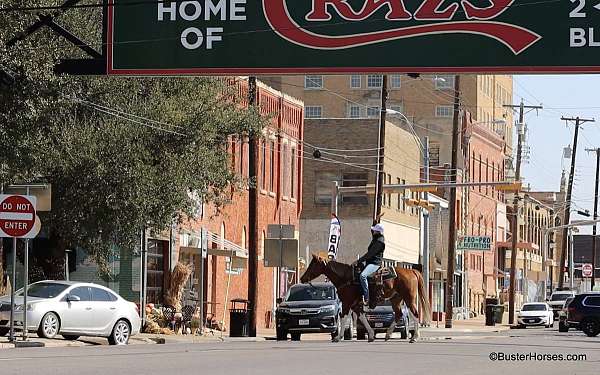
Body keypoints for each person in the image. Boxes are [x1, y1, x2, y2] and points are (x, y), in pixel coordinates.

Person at [353, 223, 385, 305]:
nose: (373, 231)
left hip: (375, 263)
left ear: (377, 232)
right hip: (370, 263)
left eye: (374, 230)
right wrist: (376, 220)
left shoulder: (379, 242)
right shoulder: (376, 238)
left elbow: (370, 254)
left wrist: (358, 261)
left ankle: (367, 298)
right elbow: (372, 230)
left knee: (363, 276)